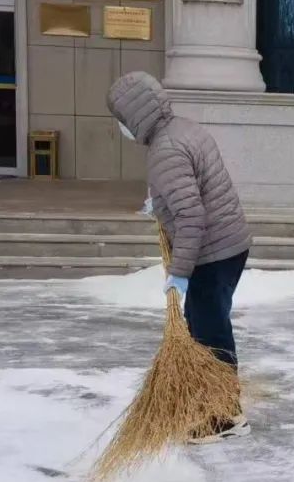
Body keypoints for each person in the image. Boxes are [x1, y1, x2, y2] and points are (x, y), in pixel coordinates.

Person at [107, 71, 254, 443]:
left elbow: (192, 216)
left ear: (133, 116)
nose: (121, 128)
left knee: (209, 333)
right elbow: (192, 194)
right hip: (229, 244)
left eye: (121, 120)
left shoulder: (165, 150)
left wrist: (179, 272)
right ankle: (213, 402)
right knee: (207, 326)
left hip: (211, 253)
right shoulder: (183, 129)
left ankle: (225, 416)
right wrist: (160, 204)